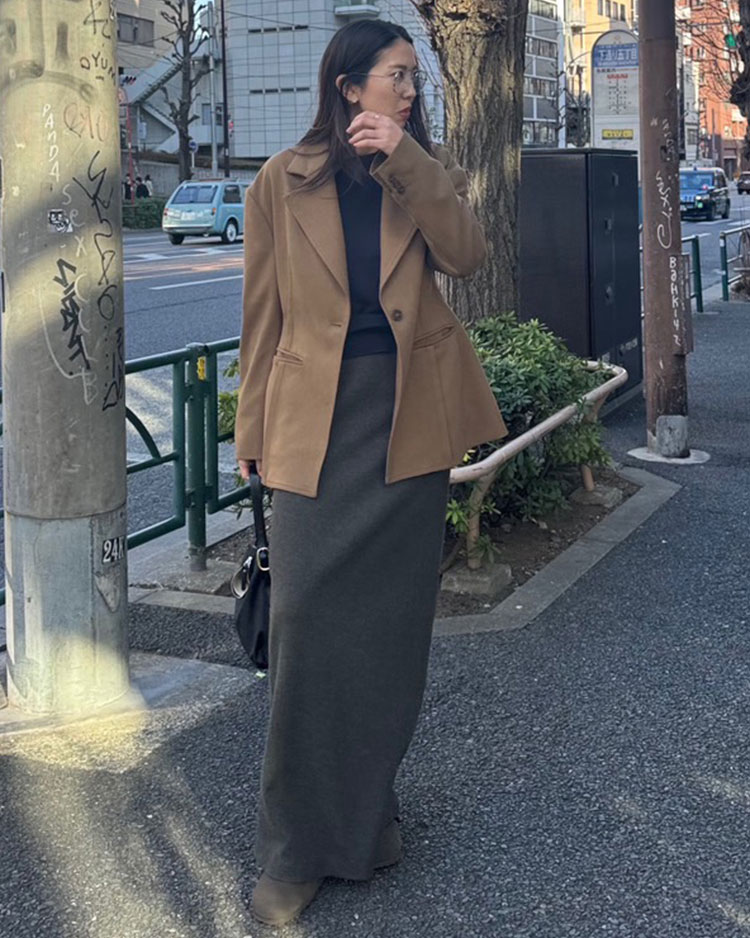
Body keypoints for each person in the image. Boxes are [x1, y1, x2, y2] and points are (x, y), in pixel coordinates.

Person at [235, 18, 507, 927]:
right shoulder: (281, 180)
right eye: (396, 75)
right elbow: (262, 315)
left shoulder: (419, 171)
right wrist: (250, 428)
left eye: (415, 79)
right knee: (307, 626)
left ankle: (365, 821)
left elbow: (466, 255)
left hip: (408, 421)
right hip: (312, 422)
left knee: (387, 639)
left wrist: (407, 159)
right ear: (348, 85)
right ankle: (292, 850)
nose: (410, 90)